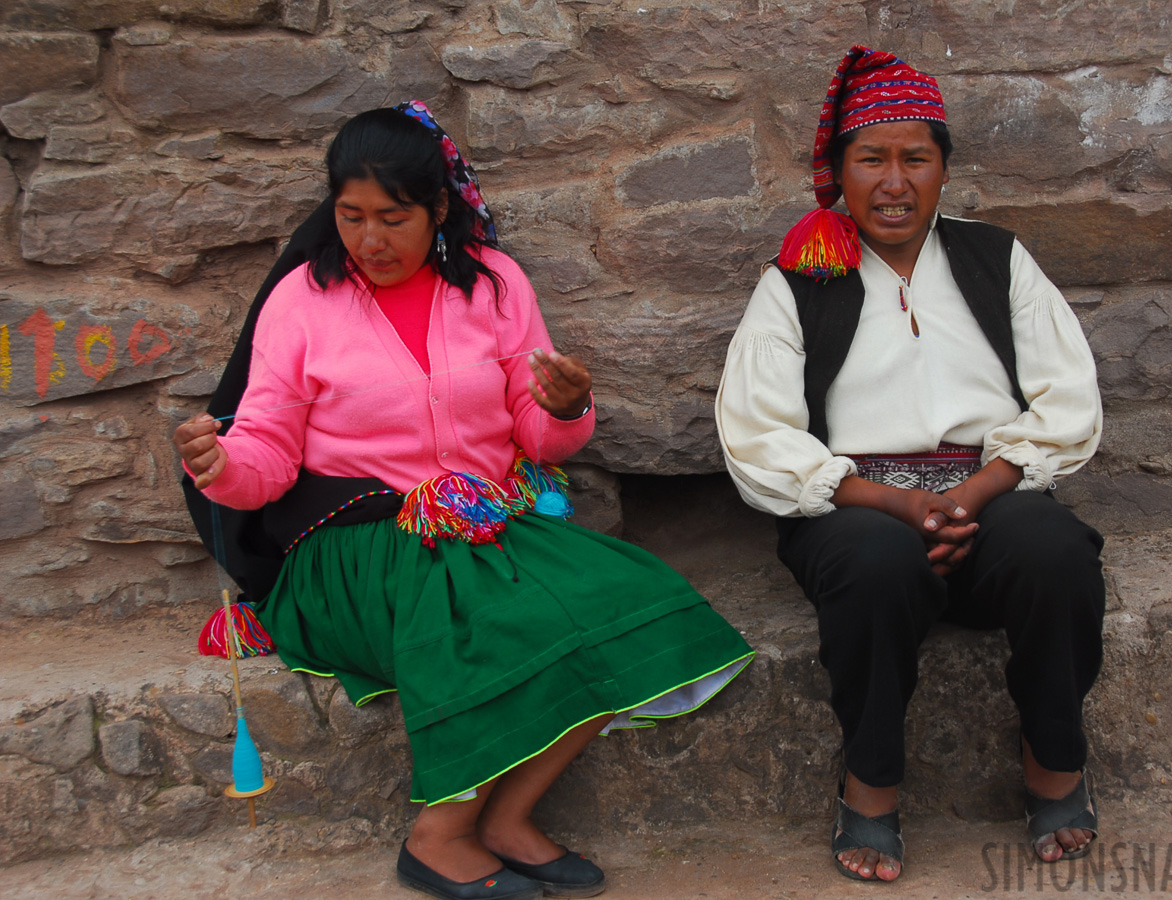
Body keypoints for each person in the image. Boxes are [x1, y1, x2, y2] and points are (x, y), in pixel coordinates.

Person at [176, 101, 753, 900]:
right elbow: (267, 458)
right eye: (350, 216)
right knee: (478, 617)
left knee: (628, 597)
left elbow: (537, 436)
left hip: (484, 526)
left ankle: (509, 818)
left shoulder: (494, 285)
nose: (369, 240)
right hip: (353, 546)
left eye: (392, 217)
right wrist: (221, 465)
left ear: (438, 210)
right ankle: (439, 833)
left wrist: (560, 406)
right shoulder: (302, 303)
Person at [715, 47, 1105, 882]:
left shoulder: (995, 260)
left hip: (988, 490)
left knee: (1054, 554)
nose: (893, 182)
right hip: (855, 505)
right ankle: (871, 788)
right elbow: (758, 436)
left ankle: (1055, 768)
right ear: (838, 172)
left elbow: (1067, 401)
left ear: (942, 169)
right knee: (874, 565)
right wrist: (895, 506)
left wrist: (974, 491)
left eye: (914, 159)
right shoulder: (796, 282)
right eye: (871, 160)